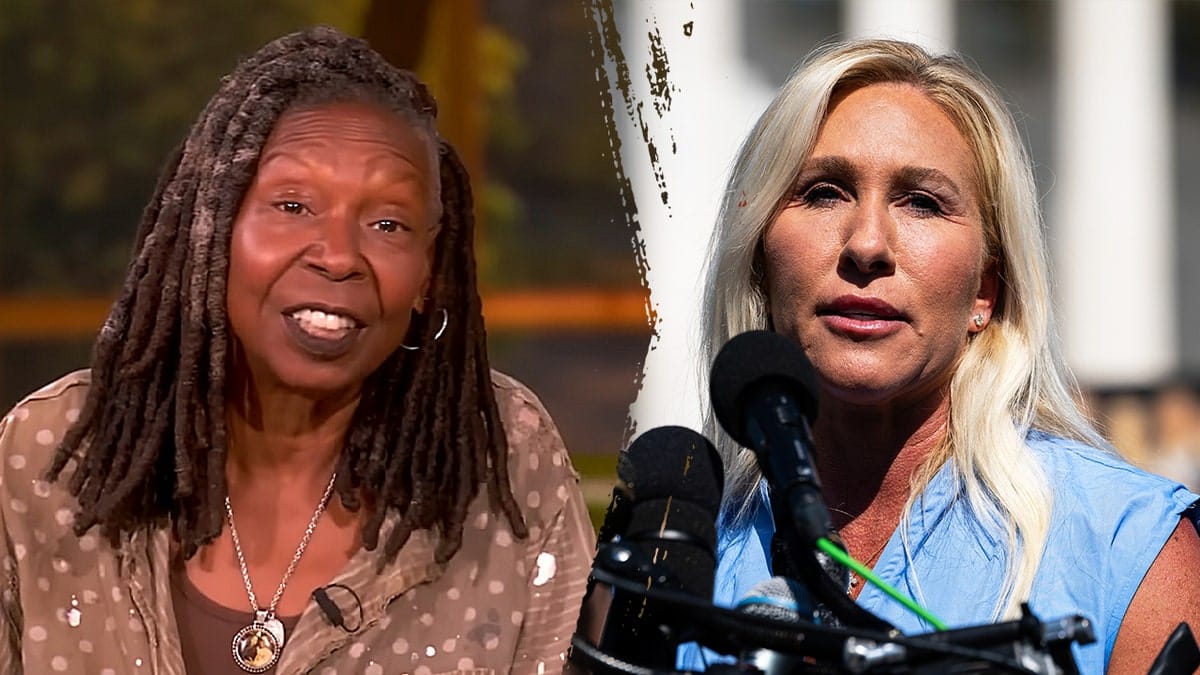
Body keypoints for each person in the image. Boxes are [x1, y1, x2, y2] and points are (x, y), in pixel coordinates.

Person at [0, 26, 594, 674]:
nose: (338, 255)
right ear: (213, 227)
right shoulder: (49, 458)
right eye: (292, 204)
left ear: (427, 275)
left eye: (387, 224)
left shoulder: (504, 458)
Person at [682, 39, 1200, 674]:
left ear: (988, 288)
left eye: (922, 202)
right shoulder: (677, 552)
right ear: (761, 254)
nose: (867, 245)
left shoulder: (1128, 549)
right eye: (823, 192)